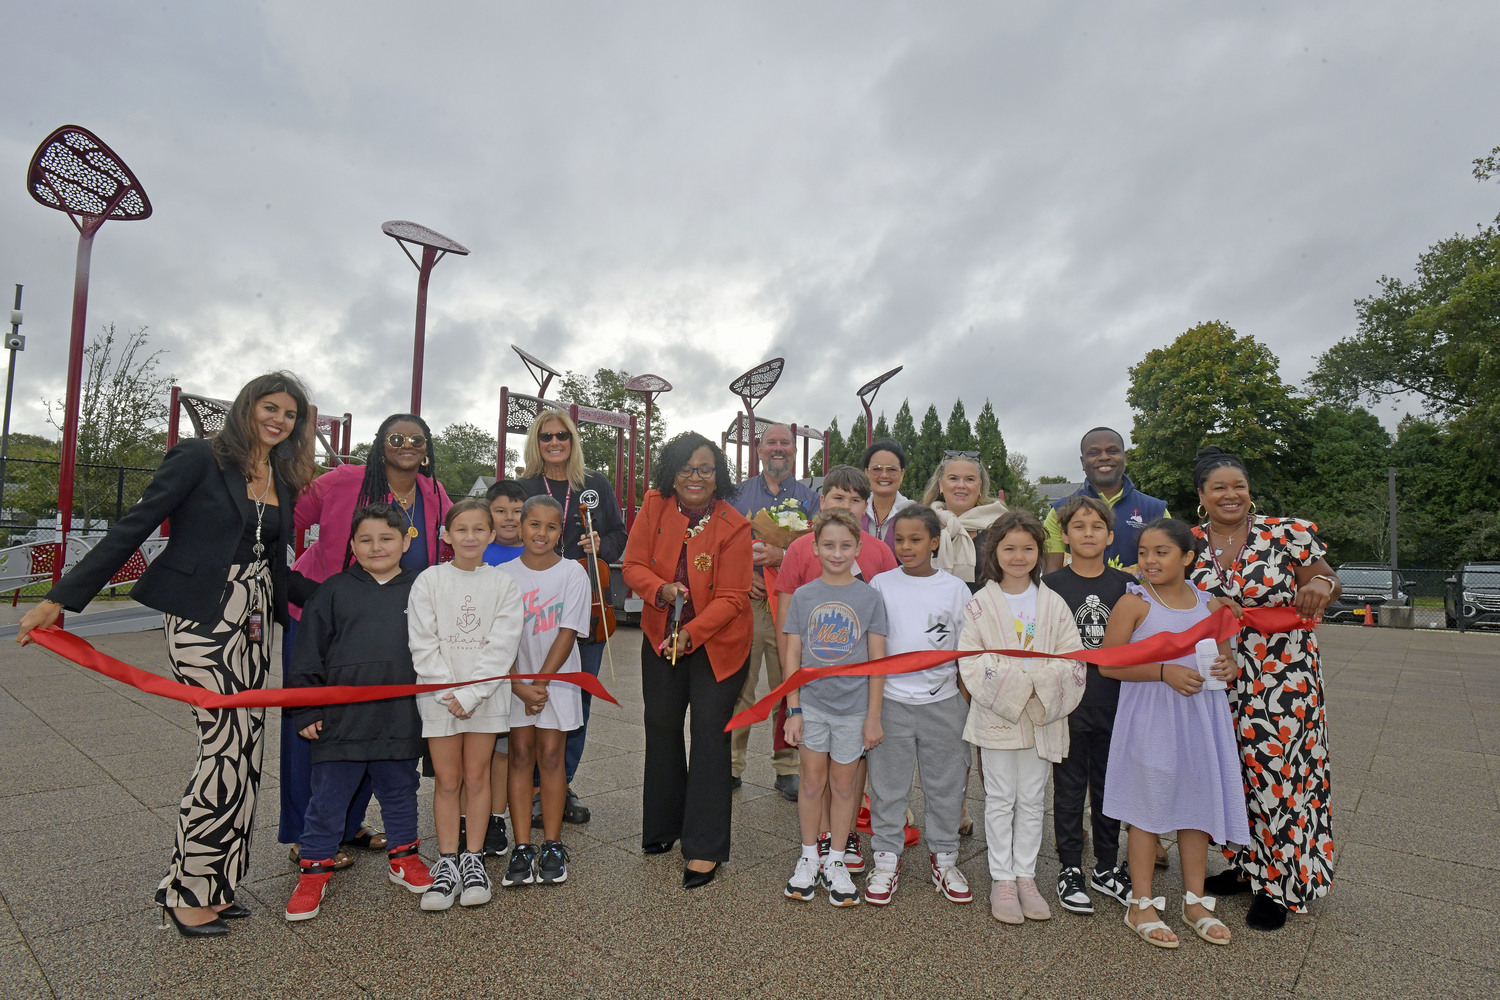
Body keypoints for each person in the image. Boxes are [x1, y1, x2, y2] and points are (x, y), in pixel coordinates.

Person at [15, 372, 317, 936]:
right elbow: (134, 527)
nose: (279, 420)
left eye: (291, 414)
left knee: (246, 752)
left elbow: (277, 569)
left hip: (253, 624)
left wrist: (352, 601)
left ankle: (217, 885)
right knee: (223, 747)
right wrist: (61, 598)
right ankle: (187, 894)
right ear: (247, 407)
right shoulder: (199, 457)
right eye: (269, 407)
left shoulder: (282, 477)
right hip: (203, 619)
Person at [280, 413, 452, 868]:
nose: (406, 445)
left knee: (377, 728)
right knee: (316, 729)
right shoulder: (343, 480)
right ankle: (305, 833)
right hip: (324, 618)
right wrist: (290, 581)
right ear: (380, 444)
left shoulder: (434, 493)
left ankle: (347, 825)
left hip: (390, 626)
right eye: (396, 437)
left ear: (427, 447)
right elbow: (277, 518)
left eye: (416, 439)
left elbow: (458, 543)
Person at [1188, 446, 1340, 932]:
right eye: (1219, 488)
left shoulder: (1285, 533)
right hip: (1220, 676)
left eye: (1239, 486)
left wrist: (1324, 586)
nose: (1231, 495)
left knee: (1280, 775)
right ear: (1201, 496)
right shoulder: (1189, 542)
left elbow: (1324, 579)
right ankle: (1245, 864)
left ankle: (1282, 885)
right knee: (1232, 770)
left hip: (1284, 677)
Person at [1100, 518, 1249, 948]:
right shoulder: (1134, 603)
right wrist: (1163, 672)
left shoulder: (1211, 605)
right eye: (1143, 552)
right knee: (1147, 806)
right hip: (1151, 716)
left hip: (1201, 717)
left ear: (1187, 558)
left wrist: (1229, 667)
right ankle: (1141, 901)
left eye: (1161, 552)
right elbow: (1110, 664)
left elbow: (1227, 660)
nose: (1149, 560)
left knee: (1196, 803)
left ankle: (1195, 900)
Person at [283, 504, 434, 921]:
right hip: (340, 719)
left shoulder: (422, 589)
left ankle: (405, 859)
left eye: (387, 538)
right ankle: (314, 868)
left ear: (406, 541)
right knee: (328, 797)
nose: (376, 547)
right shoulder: (331, 591)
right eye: (365, 540)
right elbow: (307, 653)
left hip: (400, 716)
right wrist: (306, 708)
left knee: (400, 791)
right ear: (352, 545)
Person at [621, 432, 752, 890]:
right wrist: (660, 590)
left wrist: (691, 634)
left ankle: (704, 847)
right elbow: (633, 564)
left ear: (718, 475)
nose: (696, 477)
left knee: (709, 737)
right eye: (686, 468)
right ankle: (662, 827)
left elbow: (735, 597)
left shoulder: (734, 523)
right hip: (662, 634)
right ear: (671, 473)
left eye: (706, 469)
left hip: (718, 644)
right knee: (660, 726)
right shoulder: (654, 505)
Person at [957, 510, 1086, 925]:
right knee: (999, 798)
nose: (1018, 556)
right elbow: (972, 662)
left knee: (1032, 799)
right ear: (994, 551)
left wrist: (1039, 687)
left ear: (1040, 550)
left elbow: (1073, 656)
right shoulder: (980, 604)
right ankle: (1002, 879)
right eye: (1009, 548)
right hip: (1000, 713)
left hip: (1042, 716)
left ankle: (1026, 876)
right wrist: (1024, 686)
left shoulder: (1053, 602)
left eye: (1028, 548)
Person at [772, 466, 897, 875]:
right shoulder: (799, 551)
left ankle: (842, 840)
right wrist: (792, 698)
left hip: (855, 691)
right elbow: (789, 624)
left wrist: (874, 709)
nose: (846, 505)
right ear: (822, 501)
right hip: (811, 684)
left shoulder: (878, 554)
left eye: (855, 499)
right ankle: (818, 840)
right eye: (837, 497)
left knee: (848, 769)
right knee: (813, 772)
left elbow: (879, 632)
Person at [407, 499, 525, 912]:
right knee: (447, 779)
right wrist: (448, 692)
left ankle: (473, 859)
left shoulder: (503, 584)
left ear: (492, 535)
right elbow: (422, 642)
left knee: (478, 777)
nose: (470, 537)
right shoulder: (429, 580)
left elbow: (502, 644)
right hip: (439, 698)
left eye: (480, 529)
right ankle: (447, 861)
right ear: (446, 536)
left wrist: (473, 694)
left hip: (486, 698)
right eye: (461, 530)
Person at [516, 409, 627, 824]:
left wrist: (601, 543)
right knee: (525, 694)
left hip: (585, 607)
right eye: (546, 436)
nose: (555, 442)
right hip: (531, 610)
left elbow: (620, 536)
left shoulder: (593, 484)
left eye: (563, 435)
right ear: (536, 441)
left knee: (576, 701)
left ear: (573, 439)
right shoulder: (523, 485)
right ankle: (525, 785)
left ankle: (560, 785)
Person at [864, 504, 973, 906]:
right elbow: (873, 646)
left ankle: (945, 859)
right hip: (890, 702)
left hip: (943, 703)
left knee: (945, 785)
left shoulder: (955, 589)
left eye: (915, 540)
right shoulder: (880, 584)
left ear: (934, 542)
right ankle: (886, 860)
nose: (906, 547)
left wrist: (960, 700)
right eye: (899, 540)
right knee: (888, 788)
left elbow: (967, 650)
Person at [1041, 496, 1135, 914]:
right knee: (1068, 789)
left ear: (1111, 536)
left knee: (1109, 788)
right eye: (1079, 527)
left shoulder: (1125, 588)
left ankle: (1108, 866)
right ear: (1065, 535)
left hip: (1115, 704)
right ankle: (1069, 867)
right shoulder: (1050, 587)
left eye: (1097, 527)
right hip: (1068, 707)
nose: (1088, 533)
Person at [499, 496, 591, 888]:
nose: (541, 533)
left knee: (552, 756)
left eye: (551, 527)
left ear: (561, 531)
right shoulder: (501, 574)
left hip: (557, 680)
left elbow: (568, 632)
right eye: (533, 524)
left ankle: (552, 844)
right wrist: (518, 684)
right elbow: (498, 638)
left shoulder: (573, 573)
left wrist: (540, 684)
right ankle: (522, 846)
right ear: (520, 526)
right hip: (514, 680)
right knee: (519, 754)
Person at [729, 422, 820, 801]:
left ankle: (787, 766)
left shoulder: (810, 499)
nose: (778, 448)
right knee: (740, 688)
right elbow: (720, 543)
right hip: (748, 604)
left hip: (790, 605)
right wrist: (741, 575)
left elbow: (818, 548)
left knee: (788, 686)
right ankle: (731, 765)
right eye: (772, 443)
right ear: (759, 449)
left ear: (795, 451)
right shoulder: (737, 494)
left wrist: (782, 555)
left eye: (785, 443)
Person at [472, 477, 528, 860]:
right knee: (475, 750)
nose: (510, 518)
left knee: (506, 751)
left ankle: (495, 818)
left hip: (521, 666)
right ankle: (467, 818)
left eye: (518, 512)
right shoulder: (476, 553)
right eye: (501, 511)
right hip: (479, 666)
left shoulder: (536, 554)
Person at [1042, 427, 1169, 575]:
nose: (1104, 457)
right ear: (1083, 462)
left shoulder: (1155, 509)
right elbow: (1051, 573)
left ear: (1124, 457)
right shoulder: (1059, 511)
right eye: (1094, 453)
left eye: (1112, 451)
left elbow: (1170, 568)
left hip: (1140, 597)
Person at [922, 451, 1008, 592]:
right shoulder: (923, 525)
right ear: (941, 485)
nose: (961, 485)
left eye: (969, 479)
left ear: (980, 486)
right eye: (953, 478)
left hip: (987, 611)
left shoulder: (1000, 527)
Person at [860, 437, 914, 556]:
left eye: (892, 469)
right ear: (866, 473)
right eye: (877, 469)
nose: (884, 475)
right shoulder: (855, 510)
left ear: (902, 474)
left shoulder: (914, 513)